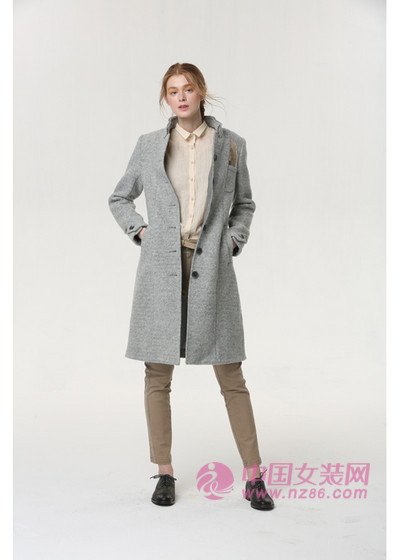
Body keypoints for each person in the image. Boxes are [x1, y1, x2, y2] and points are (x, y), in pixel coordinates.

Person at [108, 62, 274, 511]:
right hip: (161, 268)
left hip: (212, 266)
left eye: (187, 89)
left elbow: (245, 203)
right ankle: (164, 472)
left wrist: (233, 240)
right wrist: (141, 232)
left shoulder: (231, 145)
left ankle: (254, 476)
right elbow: (120, 197)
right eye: (172, 91)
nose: (180, 97)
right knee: (157, 373)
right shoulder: (149, 145)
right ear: (166, 98)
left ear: (201, 92)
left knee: (231, 373)